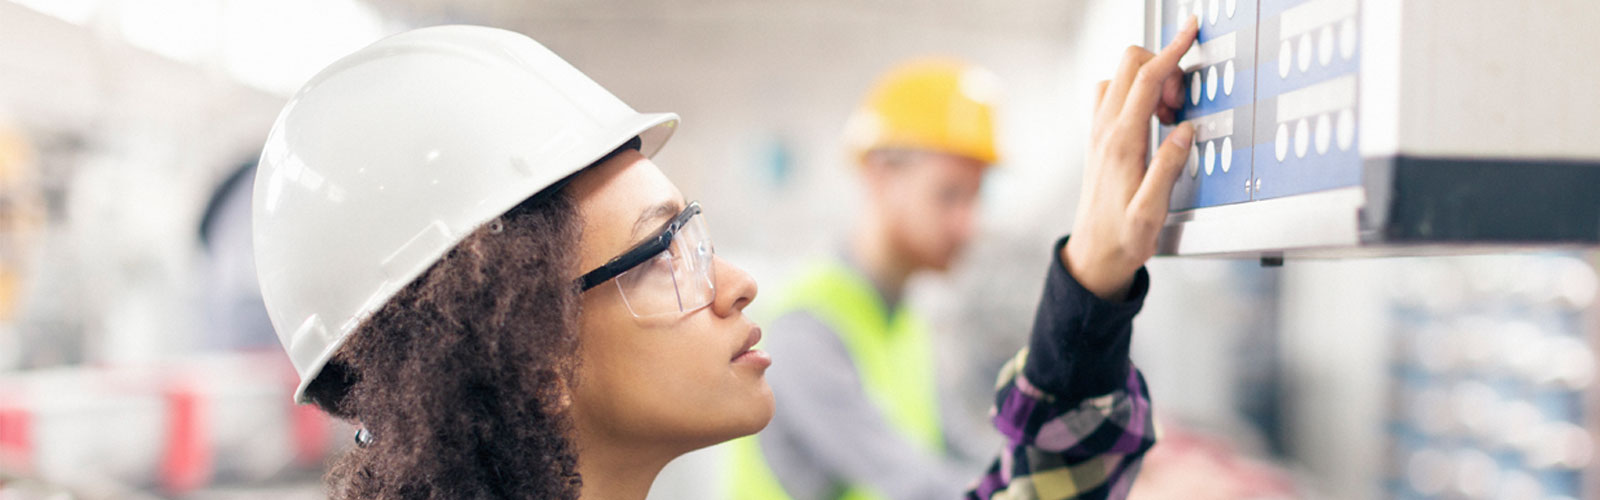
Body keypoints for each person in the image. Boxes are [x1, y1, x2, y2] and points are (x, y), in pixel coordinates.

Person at [251, 17, 1200, 500]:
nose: (739, 281)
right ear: (535, 352)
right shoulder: (824, 323)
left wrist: (1096, 277)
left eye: (692, 231)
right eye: (664, 251)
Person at [727, 57, 1004, 500]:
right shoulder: (806, 325)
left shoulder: (906, 318)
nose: (968, 224)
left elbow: (956, 453)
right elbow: (914, 485)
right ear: (880, 174)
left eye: (976, 197)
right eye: (949, 194)